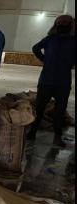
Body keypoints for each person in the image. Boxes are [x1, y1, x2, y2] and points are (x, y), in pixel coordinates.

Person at [28, 15, 75, 147]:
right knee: (39, 109)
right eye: (61, 22)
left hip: (63, 83)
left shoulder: (73, 41)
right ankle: (32, 132)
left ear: (71, 25)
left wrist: (71, 63)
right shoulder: (50, 39)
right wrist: (44, 60)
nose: (63, 24)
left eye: (66, 22)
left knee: (60, 111)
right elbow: (35, 48)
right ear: (55, 25)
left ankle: (57, 137)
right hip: (46, 81)